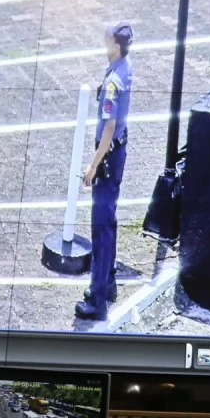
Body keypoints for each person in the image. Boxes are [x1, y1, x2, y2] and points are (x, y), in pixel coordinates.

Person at [76, 21, 134, 321]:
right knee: (108, 221)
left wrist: (92, 165)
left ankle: (97, 298)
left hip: (108, 156)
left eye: (107, 38)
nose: (103, 40)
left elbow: (109, 126)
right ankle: (108, 282)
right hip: (118, 153)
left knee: (101, 227)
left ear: (115, 46)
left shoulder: (113, 82)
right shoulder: (125, 67)